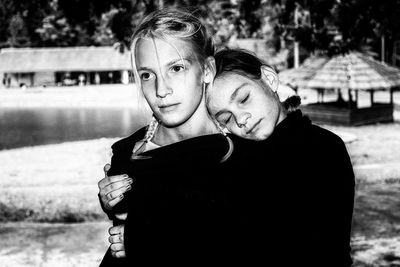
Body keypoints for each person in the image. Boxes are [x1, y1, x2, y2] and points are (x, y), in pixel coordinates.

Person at [103, 48, 355, 266]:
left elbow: (266, 243)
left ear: (268, 79)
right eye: (225, 118)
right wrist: (116, 190)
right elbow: (188, 201)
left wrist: (148, 240)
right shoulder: (241, 152)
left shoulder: (321, 149)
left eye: (244, 98)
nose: (241, 118)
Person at [98, 8, 239, 266]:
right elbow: (124, 226)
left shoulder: (236, 153)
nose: (161, 89)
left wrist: (149, 239)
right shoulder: (128, 151)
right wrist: (112, 202)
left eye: (176, 68)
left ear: (207, 70)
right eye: (147, 75)